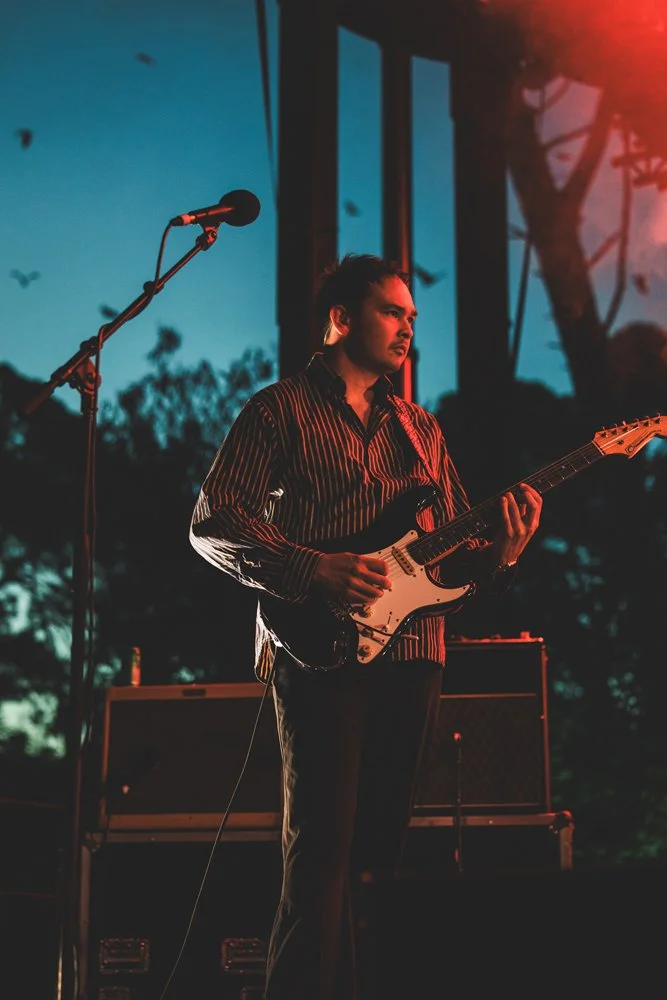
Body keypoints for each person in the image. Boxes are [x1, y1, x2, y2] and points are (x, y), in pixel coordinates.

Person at [189, 253, 543, 1000]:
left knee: (382, 859)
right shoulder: (278, 409)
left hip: (415, 653)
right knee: (319, 857)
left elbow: (447, 563)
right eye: (392, 311)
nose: (408, 326)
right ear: (341, 318)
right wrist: (312, 567)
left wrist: (500, 557)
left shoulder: (419, 427)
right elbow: (213, 522)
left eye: (413, 316)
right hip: (318, 652)